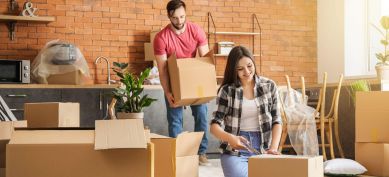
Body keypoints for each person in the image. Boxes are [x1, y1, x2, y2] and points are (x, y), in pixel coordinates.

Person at [210, 46, 283, 177]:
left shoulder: (269, 86)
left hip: (264, 148)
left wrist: (273, 148)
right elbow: (214, 126)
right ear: (234, 70)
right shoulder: (227, 91)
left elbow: (277, 120)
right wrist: (230, 138)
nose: (247, 71)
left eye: (250, 66)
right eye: (240, 69)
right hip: (234, 150)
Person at [153, 0, 210, 165]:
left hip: (193, 80)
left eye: (182, 16)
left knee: (201, 116)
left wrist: (204, 86)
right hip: (173, 81)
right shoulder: (161, 38)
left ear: (185, 14)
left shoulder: (196, 30)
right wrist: (167, 92)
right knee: (175, 120)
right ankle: (178, 154)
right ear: (169, 16)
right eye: (175, 18)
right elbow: (163, 70)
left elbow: (205, 61)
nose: (179, 21)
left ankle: (202, 152)